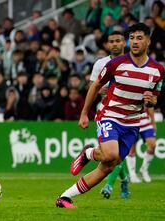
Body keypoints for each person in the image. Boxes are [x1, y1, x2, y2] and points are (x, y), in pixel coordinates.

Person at [55, 23, 164, 208]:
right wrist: (84, 113)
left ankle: (65, 195)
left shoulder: (157, 71)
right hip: (110, 115)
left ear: (148, 40)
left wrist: (151, 101)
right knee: (111, 154)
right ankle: (89, 154)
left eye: (139, 38)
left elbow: (153, 100)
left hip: (132, 123)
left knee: (108, 165)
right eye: (132, 38)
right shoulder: (115, 64)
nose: (135, 42)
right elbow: (95, 86)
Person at [88, 31, 131, 199]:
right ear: (107, 44)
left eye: (118, 41)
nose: (115, 44)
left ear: (123, 43)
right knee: (110, 153)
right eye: (111, 41)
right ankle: (114, 184)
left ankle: (121, 181)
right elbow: (92, 85)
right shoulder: (101, 63)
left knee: (117, 154)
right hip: (106, 110)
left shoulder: (132, 62)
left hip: (128, 112)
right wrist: (100, 89)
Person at [126, 107, 157, 183]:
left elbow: (150, 105)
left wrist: (153, 122)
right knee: (131, 149)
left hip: (145, 122)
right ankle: (132, 174)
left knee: (153, 145)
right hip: (132, 122)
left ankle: (144, 170)